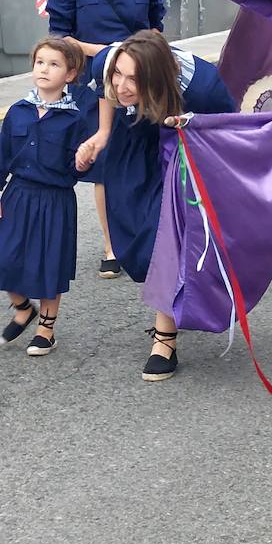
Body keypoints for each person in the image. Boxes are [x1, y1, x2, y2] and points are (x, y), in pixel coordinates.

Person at [75, 30, 234, 381]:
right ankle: (171, 295)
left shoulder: (202, 87)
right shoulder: (109, 64)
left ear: (157, 77)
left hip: (180, 146)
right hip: (133, 136)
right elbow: (107, 89)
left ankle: (165, 338)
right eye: (119, 74)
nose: (121, 85)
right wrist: (102, 134)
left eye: (133, 78)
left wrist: (190, 127)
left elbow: (228, 130)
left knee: (162, 238)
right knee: (131, 234)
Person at [47, 0, 166, 278]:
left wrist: (122, 54)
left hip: (140, 83)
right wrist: (105, 53)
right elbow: (59, 37)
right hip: (94, 84)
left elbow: (156, 30)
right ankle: (112, 245)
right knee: (104, 162)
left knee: (145, 157)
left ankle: (147, 236)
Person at [0, 38, 94, 357]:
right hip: (18, 194)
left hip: (55, 199)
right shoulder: (18, 112)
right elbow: (1, 155)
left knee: (49, 264)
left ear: (70, 75)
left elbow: (79, 166)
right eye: (40, 62)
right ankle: (22, 308)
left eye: (54, 64)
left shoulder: (75, 119)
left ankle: (46, 328)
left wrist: (83, 161)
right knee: (2, 258)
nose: (44, 69)